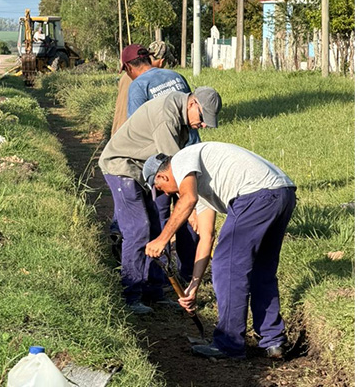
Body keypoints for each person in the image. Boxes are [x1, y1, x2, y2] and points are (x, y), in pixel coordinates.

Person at [143, 143, 296, 360]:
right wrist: (193, 286)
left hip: (256, 194)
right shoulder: (201, 184)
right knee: (262, 269)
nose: (164, 194)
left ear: (162, 177)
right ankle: (273, 341)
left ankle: (229, 343)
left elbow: (188, 199)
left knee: (227, 267)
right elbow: (206, 238)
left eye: (159, 189)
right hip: (283, 193)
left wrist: (162, 239)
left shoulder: (181, 160)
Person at [98, 87, 221, 314]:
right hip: (121, 166)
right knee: (138, 228)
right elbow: (176, 170)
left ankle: (154, 290)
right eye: (203, 119)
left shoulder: (181, 114)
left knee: (156, 227)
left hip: (142, 169)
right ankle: (130, 294)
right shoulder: (167, 117)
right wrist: (191, 208)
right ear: (193, 104)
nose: (203, 126)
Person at [111, 43, 200, 283]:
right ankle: (188, 275)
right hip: (190, 153)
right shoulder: (176, 76)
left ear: (129, 67)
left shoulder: (138, 85)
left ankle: (158, 277)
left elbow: (138, 126)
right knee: (187, 214)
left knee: (159, 220)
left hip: (162, 167)